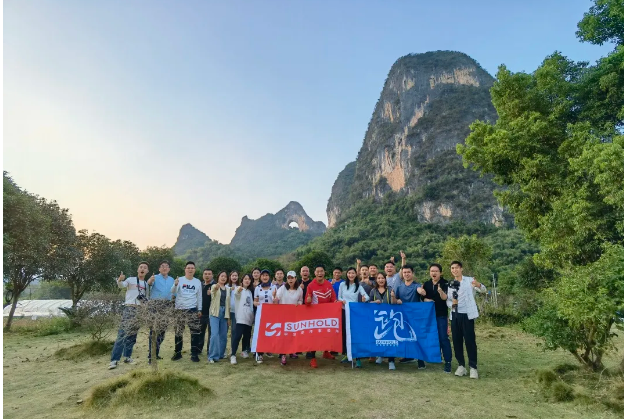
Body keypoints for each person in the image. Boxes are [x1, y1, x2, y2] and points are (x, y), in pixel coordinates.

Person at [447, 261, 487, 379]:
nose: (455, 270)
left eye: (457, 268)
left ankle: (473, 367)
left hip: (467, 315)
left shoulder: (470, 280)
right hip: (455, 315)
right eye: (452, 268)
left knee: (470, 341)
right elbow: (448, 300)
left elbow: (484, 290)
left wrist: (478, 284)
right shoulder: (451, 284)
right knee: (457, 341)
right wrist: (452, 304)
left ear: (461, 269)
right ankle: (461, 366)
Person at [108, 262, 149, 369]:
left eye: (145, 268)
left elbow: (145, 299)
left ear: (147, 271)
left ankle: (127, 356)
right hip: (129, 308)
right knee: (122, 334)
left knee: (132, 335)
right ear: (137, 269)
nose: (142, 269)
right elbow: (121, 285)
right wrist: (120, 280)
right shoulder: (130, 279)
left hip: (139, 310)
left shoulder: (145, 284)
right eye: (141, 267)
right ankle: (114, 360)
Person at [420, 263, 452, 373]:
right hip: (428, 316)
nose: (434, 273)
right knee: (428, 337)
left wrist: (440, 292)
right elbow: (422, 298)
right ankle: (431, 357)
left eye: (436, 271)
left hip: (441, 315)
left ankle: (448, 362)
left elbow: (445, 298)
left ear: (440, 273)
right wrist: (426, 299)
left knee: (443, 338)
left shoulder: (446, 283)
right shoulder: (426, 284)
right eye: (432, 271)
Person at [305, 265, 339, 368]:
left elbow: (333, 298)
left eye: (322, 271)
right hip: (315, 316)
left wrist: (336, 302)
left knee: (327, 333)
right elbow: (307, 301)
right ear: (314, 273)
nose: (320, 273)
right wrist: (308, 301)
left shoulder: (329, 284)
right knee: (314, 336)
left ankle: (325, 352)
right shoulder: (310, 285)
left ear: (324, 273)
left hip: (327, 315)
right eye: (318, 271)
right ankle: (313, 358)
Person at [393, 264, 425, 367]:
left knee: (417, 337)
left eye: (408, 272)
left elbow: (421, 291)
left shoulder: (417, 285)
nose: (406, 274)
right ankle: (408, 356)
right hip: (403, 317)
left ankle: (421, 360)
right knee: (406, 337)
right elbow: (395, 300)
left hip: (415, 316)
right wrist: (396, 299)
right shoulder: (399, 287)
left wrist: (422, 291)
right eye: (404, 272)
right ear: (402, 273)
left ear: (412, 273)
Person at [170, 261, 203, 362]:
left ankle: (194, 354)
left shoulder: (197, 282)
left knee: (195, 332)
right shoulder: (179, 280)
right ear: (185, 269)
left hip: (192, 309)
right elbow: (173, 291)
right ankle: (177, 353)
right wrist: (175, 285)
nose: (190, 269)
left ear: (194, 270)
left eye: (192, 268)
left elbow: (199, 296)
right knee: (179, 332)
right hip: (180, 309)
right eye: (188, 268)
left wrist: (199, 309)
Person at [338, 267, 369, 365]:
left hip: (354, 312)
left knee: (355, 334)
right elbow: (339, 297)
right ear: (346, 274)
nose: (351, 275)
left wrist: (364, 299)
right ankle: (347, 354)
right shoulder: (342, 284)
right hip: (344, 311)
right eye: (349, 273)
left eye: (353, 273)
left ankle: (358, 357)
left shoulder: (358, 285)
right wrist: (342, 301)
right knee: (345, 333)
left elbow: (366, 296)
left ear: (356, 274)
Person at [146, 260, 175, 363]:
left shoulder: (172, 279)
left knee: (162, 331)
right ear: (159, 268)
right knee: (153, 331)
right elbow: (148, 286)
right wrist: (150, 281)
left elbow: (174, 293)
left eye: (166, 266)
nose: (164, 268)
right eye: (162, 266)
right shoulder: (155, 278)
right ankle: (151, 356)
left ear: (169, 269)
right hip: (155, 305)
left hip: (167, 305)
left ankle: (156, 353)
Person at [274, 270, 303, 365]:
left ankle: (292, 351)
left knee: (292, 334)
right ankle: (283, 354)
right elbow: (276, 300)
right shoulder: (282, 289)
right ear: (287, 279)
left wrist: (298, 304)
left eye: (292, 278)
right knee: (284, 335)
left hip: (294, 315)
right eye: (289, 278)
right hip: (283, 315)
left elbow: (300, 300)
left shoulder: (299, 289)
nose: (290, 280)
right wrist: (274, 298)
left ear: (295, 279)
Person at [370, 272, 397, 370]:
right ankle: (380, 356)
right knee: (379, 338)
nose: (381, 280)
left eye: (382, 278)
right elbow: (368, 303)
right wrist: (374, 302)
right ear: (376, 280)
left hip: (389, 318)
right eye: (379, 278)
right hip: (377, 319)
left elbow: (394, 303)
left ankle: (391, 361)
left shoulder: (390, 289)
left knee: (390, 339)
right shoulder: (373, 290)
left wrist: (393, 296)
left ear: (385, 279)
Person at [253, 269, 277, 363]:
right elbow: (255, 301)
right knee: (260, 333)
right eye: (263, 275)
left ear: (269, 277)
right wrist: (257, 303)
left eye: (267, 275)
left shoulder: (274, 287)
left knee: (270, 332)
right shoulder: (257, 288)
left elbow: (276, 302)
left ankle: (268, 349)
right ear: (260, 277)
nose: (265, 277)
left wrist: (275, 297)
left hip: (271, 314)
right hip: (261, 313)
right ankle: (259, 353)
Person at [230, 274, 254, 364]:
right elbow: (236, 294)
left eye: (249, 279)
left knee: (247, 336)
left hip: (249, 317)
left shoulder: (250, 292)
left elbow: (251, 305)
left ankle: (244, 351)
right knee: (237, 336)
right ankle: (233, 355)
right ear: (242, 280)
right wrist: (239, 290)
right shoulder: (239, 289)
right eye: (245, 279)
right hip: (240, 317)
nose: (247, 281)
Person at [208, 271, 231, 363]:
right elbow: (213, 292)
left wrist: (228, 317)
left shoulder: (228, 289)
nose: (223, 278)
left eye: (225, 276)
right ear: (218, 277)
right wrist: (216, 288)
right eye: (222, 276)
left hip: (224, 313)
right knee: (214, 334)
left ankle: (221, 354)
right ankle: (212, 356)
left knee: (223, 336)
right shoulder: (214, 286)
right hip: (215, 313)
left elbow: (228, 304)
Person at [198, 269, 215, 355]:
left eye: (209, 274)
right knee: (200, 332)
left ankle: (210, 350)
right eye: (205, 274)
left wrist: (212, 294)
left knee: (211, 334)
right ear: (203, 275)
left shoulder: (215, 285)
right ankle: (198, 350)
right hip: (201, 313)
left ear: (212, 275)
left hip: (211, 314)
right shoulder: (200, 285)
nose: (207, 275)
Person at [228, 271, 239, 353]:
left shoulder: (240, 287)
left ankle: (233, 349)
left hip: (236, 311)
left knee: (234, 331)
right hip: (227, 311)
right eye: (233, 275)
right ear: (230, 276)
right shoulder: (226, 286)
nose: (234, 277)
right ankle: (223, 349)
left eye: (236, 275)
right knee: (224, 331)